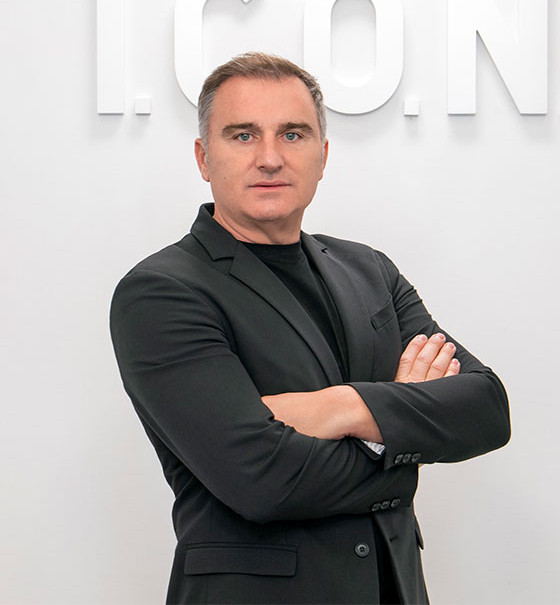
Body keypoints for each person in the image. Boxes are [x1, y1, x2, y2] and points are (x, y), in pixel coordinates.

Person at [110, 52, 510, 605]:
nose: (270, 158)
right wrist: (400, 442)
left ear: (323, 156)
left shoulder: (369, 271)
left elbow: (486, 407)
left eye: (293, 134)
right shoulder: (162, 292)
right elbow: (262, 481)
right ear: (203, 157)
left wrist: (339, 407)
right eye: (243, 135)